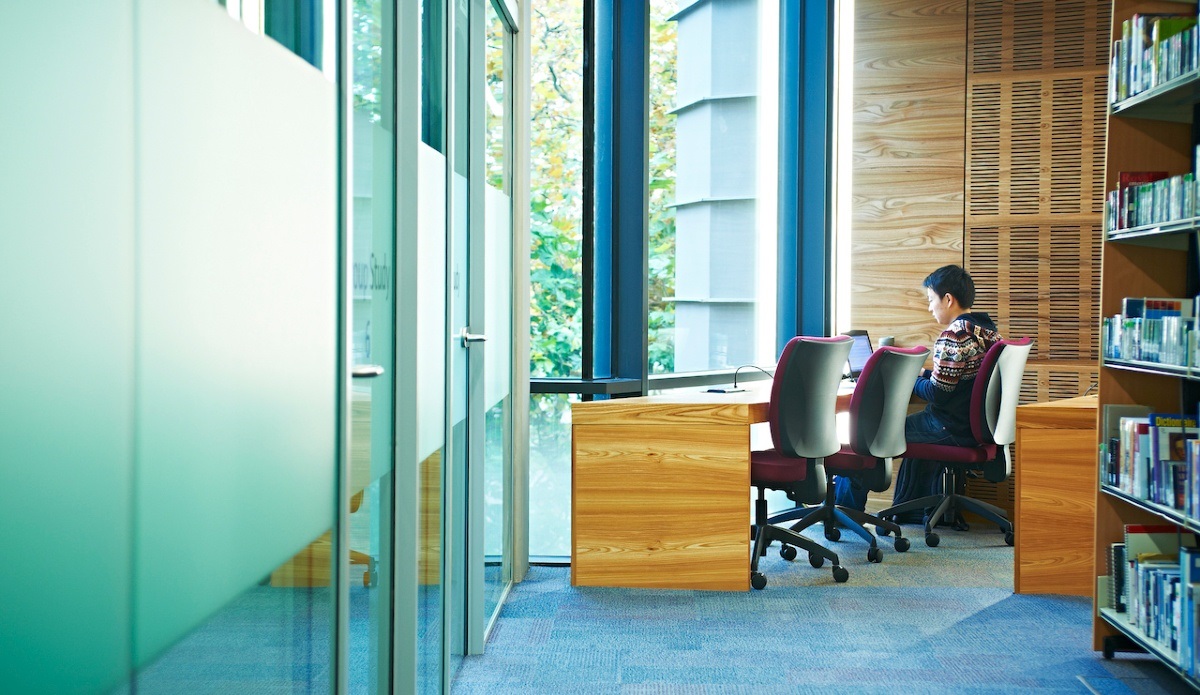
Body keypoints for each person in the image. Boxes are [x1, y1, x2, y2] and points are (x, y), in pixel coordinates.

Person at [834, 265, 1003, 522]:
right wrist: (921, 375)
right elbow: (952, 379)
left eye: (931, 300)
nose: (930, 308)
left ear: (948, 299)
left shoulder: (954, 334)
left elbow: (938, 393)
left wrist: (907, 381)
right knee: (895, 427)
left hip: (949, 427)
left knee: (869, 434)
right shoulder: (987, 330)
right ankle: (909, 511)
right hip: (974, 426)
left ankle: (845, 514)